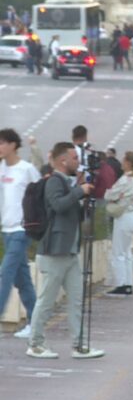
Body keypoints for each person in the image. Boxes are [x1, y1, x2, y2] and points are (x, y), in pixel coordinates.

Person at [26, 142, 104, 359]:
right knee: (47, 300)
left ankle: (79, 345)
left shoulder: (67, 183)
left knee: (77, 299)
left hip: (69, 252)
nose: (78, 163)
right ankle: (35, 343)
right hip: (54, 252)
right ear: (63, 160)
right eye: (75, 158)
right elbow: (58, 205)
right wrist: (80, 191)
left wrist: (83, 198)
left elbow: (71, 211)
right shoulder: (54, 181)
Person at [0, 129, 40, 339]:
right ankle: (35, 322)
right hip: (6, 230)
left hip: (21, 230)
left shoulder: (27, 169)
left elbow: (41, 193)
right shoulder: (2, 169)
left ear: (13, 145)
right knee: (22, 279)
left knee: (4, 273)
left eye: (2, 143)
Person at [104, 152, 133, 297]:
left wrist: (110, 195)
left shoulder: (125, 179)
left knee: (118, 252)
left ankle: (120, 285)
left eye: (123, 159)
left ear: (128, 162)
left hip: (124, 216)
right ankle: (128, 284)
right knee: (127, 253)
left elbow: (109, 195)